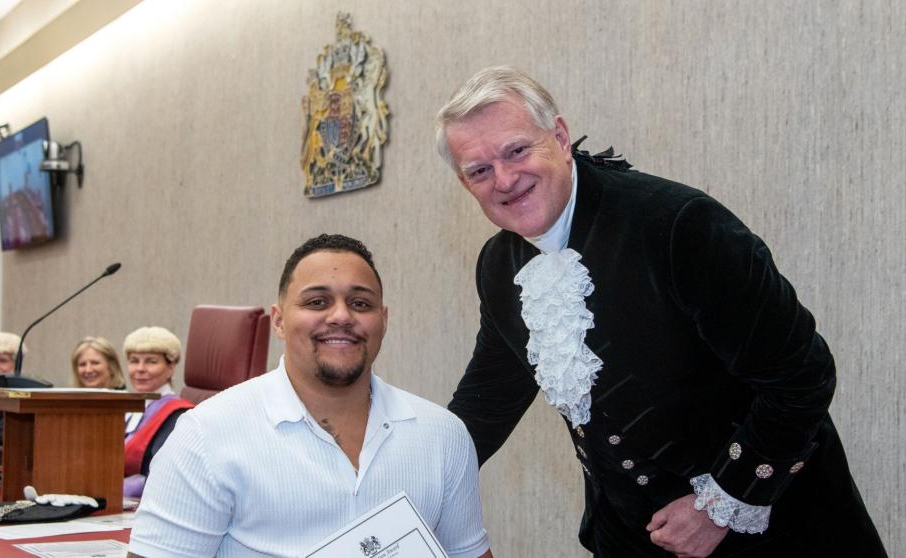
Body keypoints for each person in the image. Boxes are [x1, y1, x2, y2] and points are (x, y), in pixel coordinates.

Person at [435, 66, 885, 557]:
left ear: (560, 138)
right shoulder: (500, 265)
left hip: (774, 530)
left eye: (516, 150)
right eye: (479, 170)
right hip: (631, 536)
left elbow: (802, 376)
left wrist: (721, 503)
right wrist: (406, 480)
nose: (504, 179)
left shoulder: (676, 226)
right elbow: (489, 397)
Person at [129, 234, 491, 558]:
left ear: (384, 320)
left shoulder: (443, 435)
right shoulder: (205, 435)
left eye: (361, 304)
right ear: (279, 320)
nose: (341, 316)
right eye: (317, 302)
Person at [121, 326, 194, 498]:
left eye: (151, 361)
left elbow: (164, 475)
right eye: (134, 361)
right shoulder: (125, 409)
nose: (140, 369)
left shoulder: (178, 415)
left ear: (171, 367)